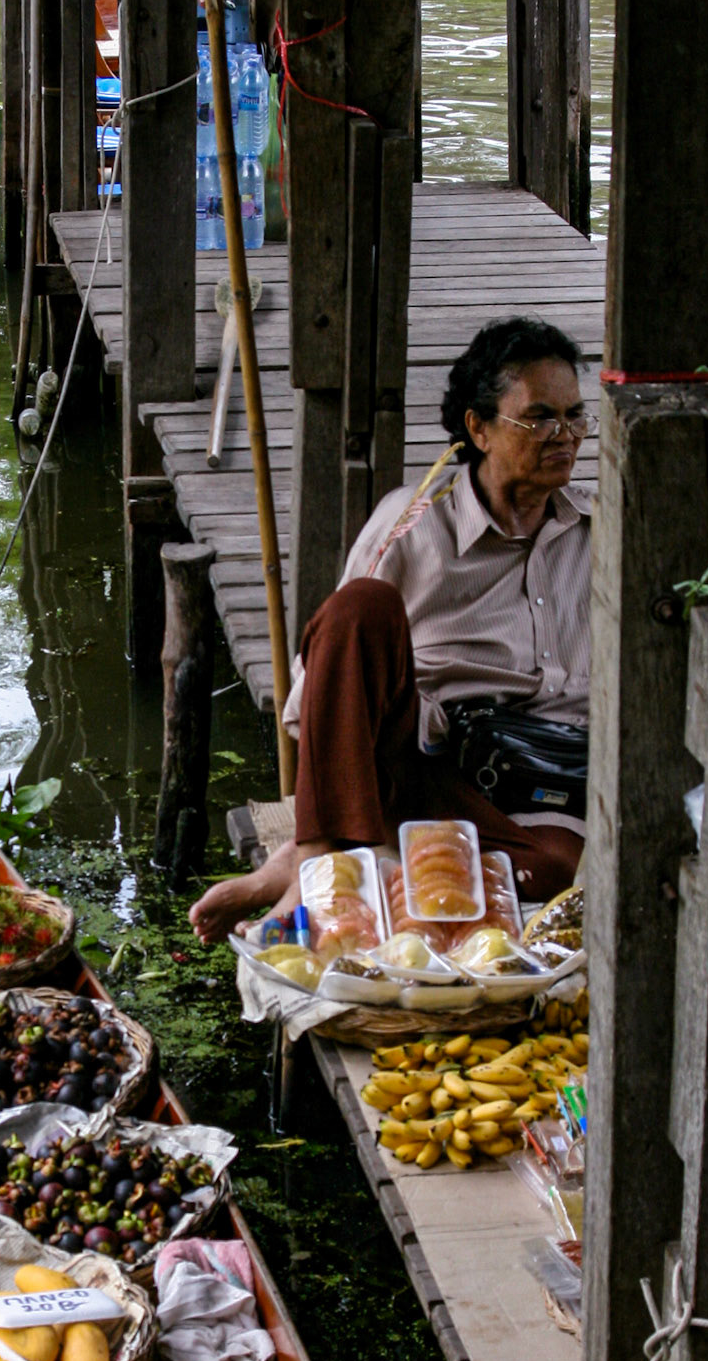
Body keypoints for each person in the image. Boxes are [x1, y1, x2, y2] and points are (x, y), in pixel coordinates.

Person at [189, 316, 592, 944]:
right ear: (478, 428)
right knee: (360, 608)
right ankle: (314, 855)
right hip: (424, 767)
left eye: (574, 417)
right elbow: (324, 674)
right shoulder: (415, 524)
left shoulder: (606, 534)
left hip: (540, 787)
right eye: (538, 418)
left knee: (558, 873)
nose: (563, 436)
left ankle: (367, 861)